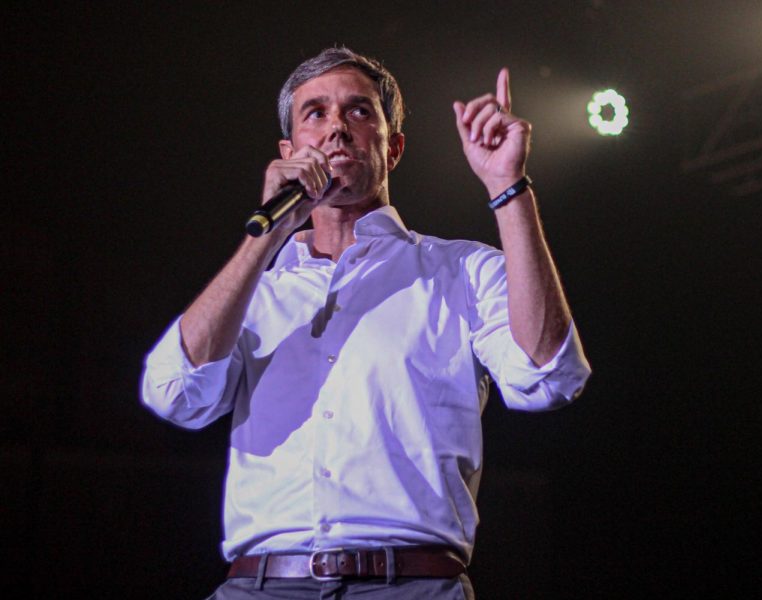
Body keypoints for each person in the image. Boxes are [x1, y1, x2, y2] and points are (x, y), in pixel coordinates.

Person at [141, 47, 590, 599]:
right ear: (288, 151)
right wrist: (268, 238)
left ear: (392, 147)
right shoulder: (254, 289)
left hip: (412, 584)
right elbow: (172, 394)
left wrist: (507, 187)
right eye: (316, 114)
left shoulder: (461, 270)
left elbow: (549, 377)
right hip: (261, 585)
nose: (336, 129)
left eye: (358, 112)